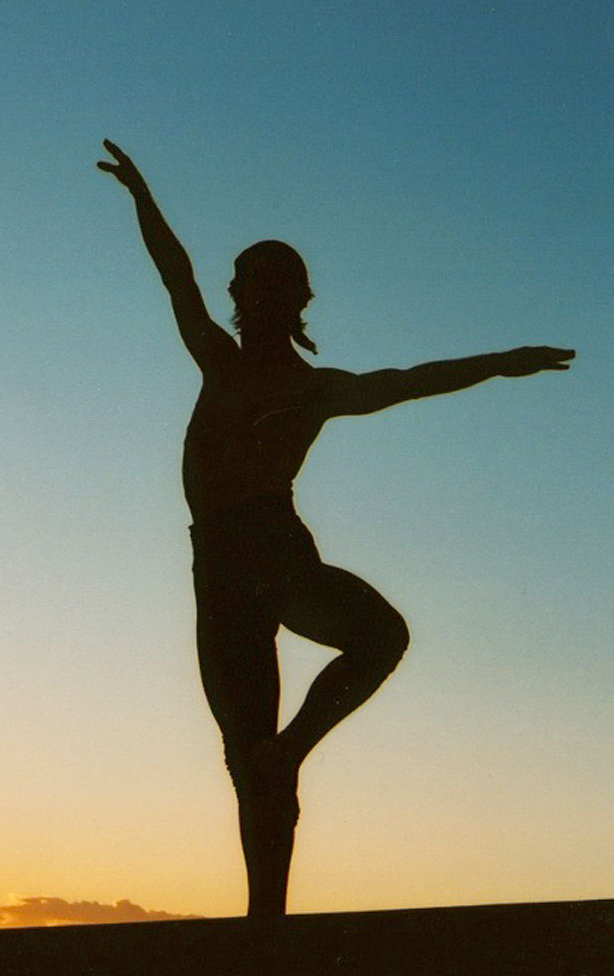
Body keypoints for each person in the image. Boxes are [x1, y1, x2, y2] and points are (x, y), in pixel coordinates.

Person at [97, 140, 574, 918]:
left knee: (380, 638)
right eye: (253, 280)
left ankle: (290, 751)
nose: (263, 293)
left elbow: (410, 382)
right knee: (248, 764)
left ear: (296, 301)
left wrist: (501, 361)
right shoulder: (218, 359)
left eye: (278, 282)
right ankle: (268, 918)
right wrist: (142, 196)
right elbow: (175, 273)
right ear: (241, 296)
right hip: (219, 566)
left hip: (277, 552)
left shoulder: (316, 389)